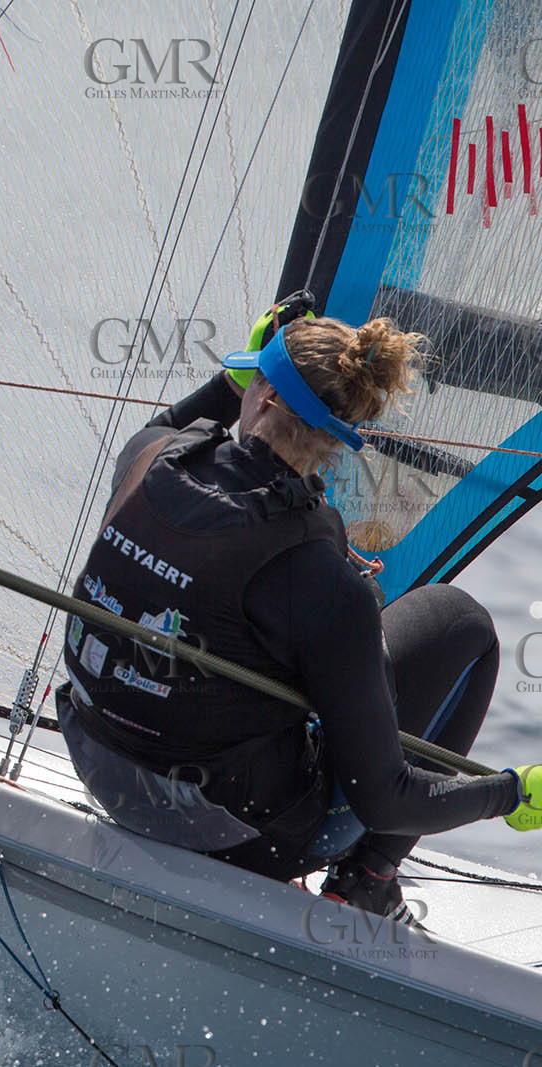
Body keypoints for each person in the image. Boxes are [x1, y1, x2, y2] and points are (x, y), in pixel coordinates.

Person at [55, 292, 541, 921]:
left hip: (98, 768)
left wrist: (235, 377)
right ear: (343, 438)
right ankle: (366, 881)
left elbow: (173, 422)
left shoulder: (144, 458)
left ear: (261, 395)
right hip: (242, 839)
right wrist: (508, 794)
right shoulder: (319, 575)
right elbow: (385, 800)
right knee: (461, 622)